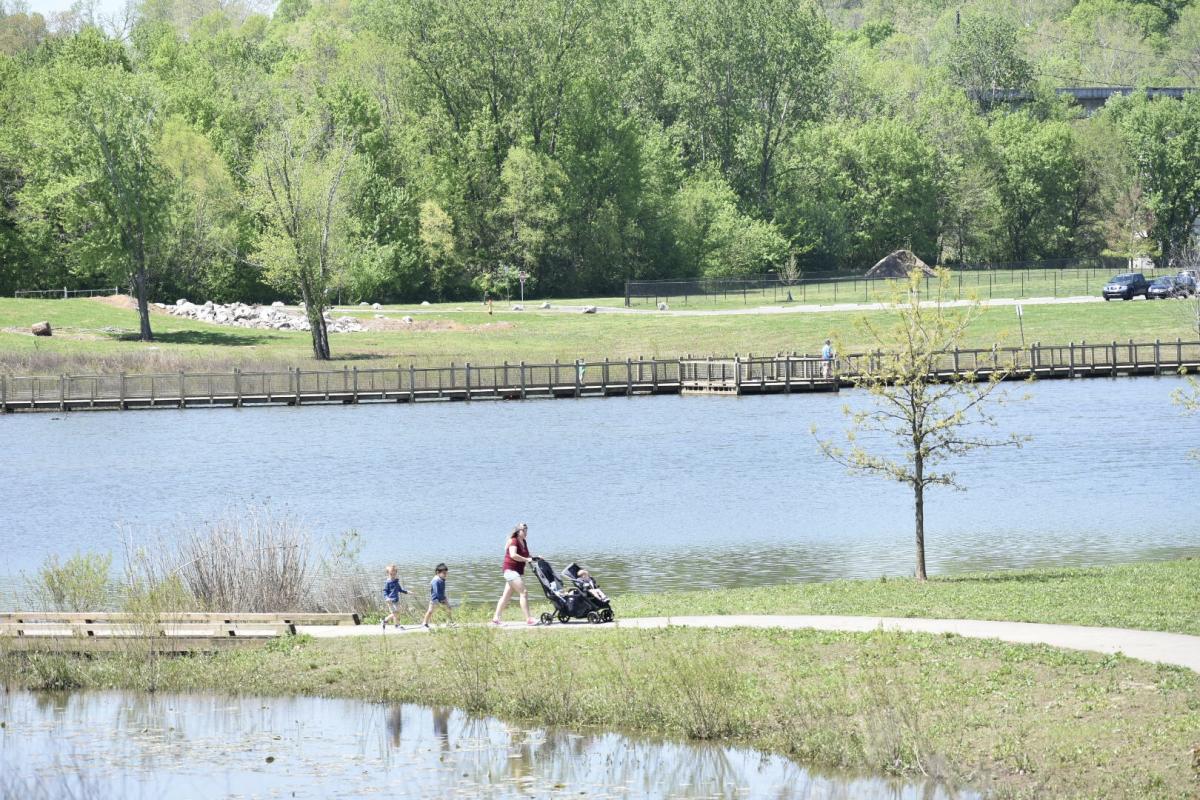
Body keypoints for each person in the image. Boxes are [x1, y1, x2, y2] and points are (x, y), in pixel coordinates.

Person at [492, 523, 537, 626]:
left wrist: (535, 558)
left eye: (526, 530)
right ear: (518, 531)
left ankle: (496, 618)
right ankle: (528, 619)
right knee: (523, 592)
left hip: (516, 571)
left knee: (506, 596)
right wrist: (526, 559)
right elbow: (513, 555)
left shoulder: (523, 542)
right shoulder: (514, 541)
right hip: (510, 570)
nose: (526, 532)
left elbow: (526, 555)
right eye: (524, 530)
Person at [421, 563, 452, 629]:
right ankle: (424, 623)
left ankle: (449, 622)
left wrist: (444, 598)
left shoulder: (441, 579)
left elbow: (441, 590)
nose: (445, 574)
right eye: (444, 573)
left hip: (442, 598)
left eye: (446, 573)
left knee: (448, 608)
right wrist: (442, 600)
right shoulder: (435, 580)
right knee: (430, 611)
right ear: (438, 572)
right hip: (435, 599)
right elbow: (436, 591)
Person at [381, 565, 409, 630]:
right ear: (388, 574)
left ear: (396, 573)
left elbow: (400, 590)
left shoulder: (396, 582)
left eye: (394, 574)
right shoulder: (387, 582)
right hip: (390, 601)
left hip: (396, 600)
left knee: (397, 613)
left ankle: (395, 624)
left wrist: (407, 592)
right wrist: (386, 598)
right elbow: (385, 591)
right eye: (391, 574)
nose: (393, 575)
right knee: (395, 613)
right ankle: (387, 621)